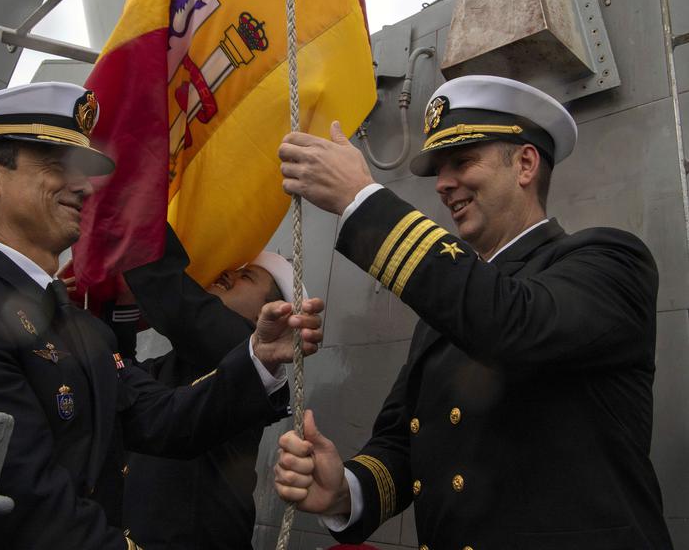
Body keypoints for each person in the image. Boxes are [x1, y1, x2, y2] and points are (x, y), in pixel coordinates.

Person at [0, 81, 325, 549]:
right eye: (57, 165)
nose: (82, 187)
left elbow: (162, 418)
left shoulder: (80, 327)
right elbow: (22, 503)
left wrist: (259, 358)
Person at [273, 75, 673, 549]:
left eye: (462, 161)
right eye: (440, 169)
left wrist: (362, 200)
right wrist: (345, 490)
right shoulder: (448, 310)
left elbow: (512, 325)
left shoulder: (611, 262)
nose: (443, 185)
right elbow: (402, 445)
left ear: (525, 164)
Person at [111, 224, 302, 549]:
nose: (225, 276)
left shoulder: (239, 342)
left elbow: (179, 305)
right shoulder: (172, 363)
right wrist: (122, 305)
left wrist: (134, 215)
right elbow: (118, 379)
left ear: (270, 315)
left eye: (247, 277)